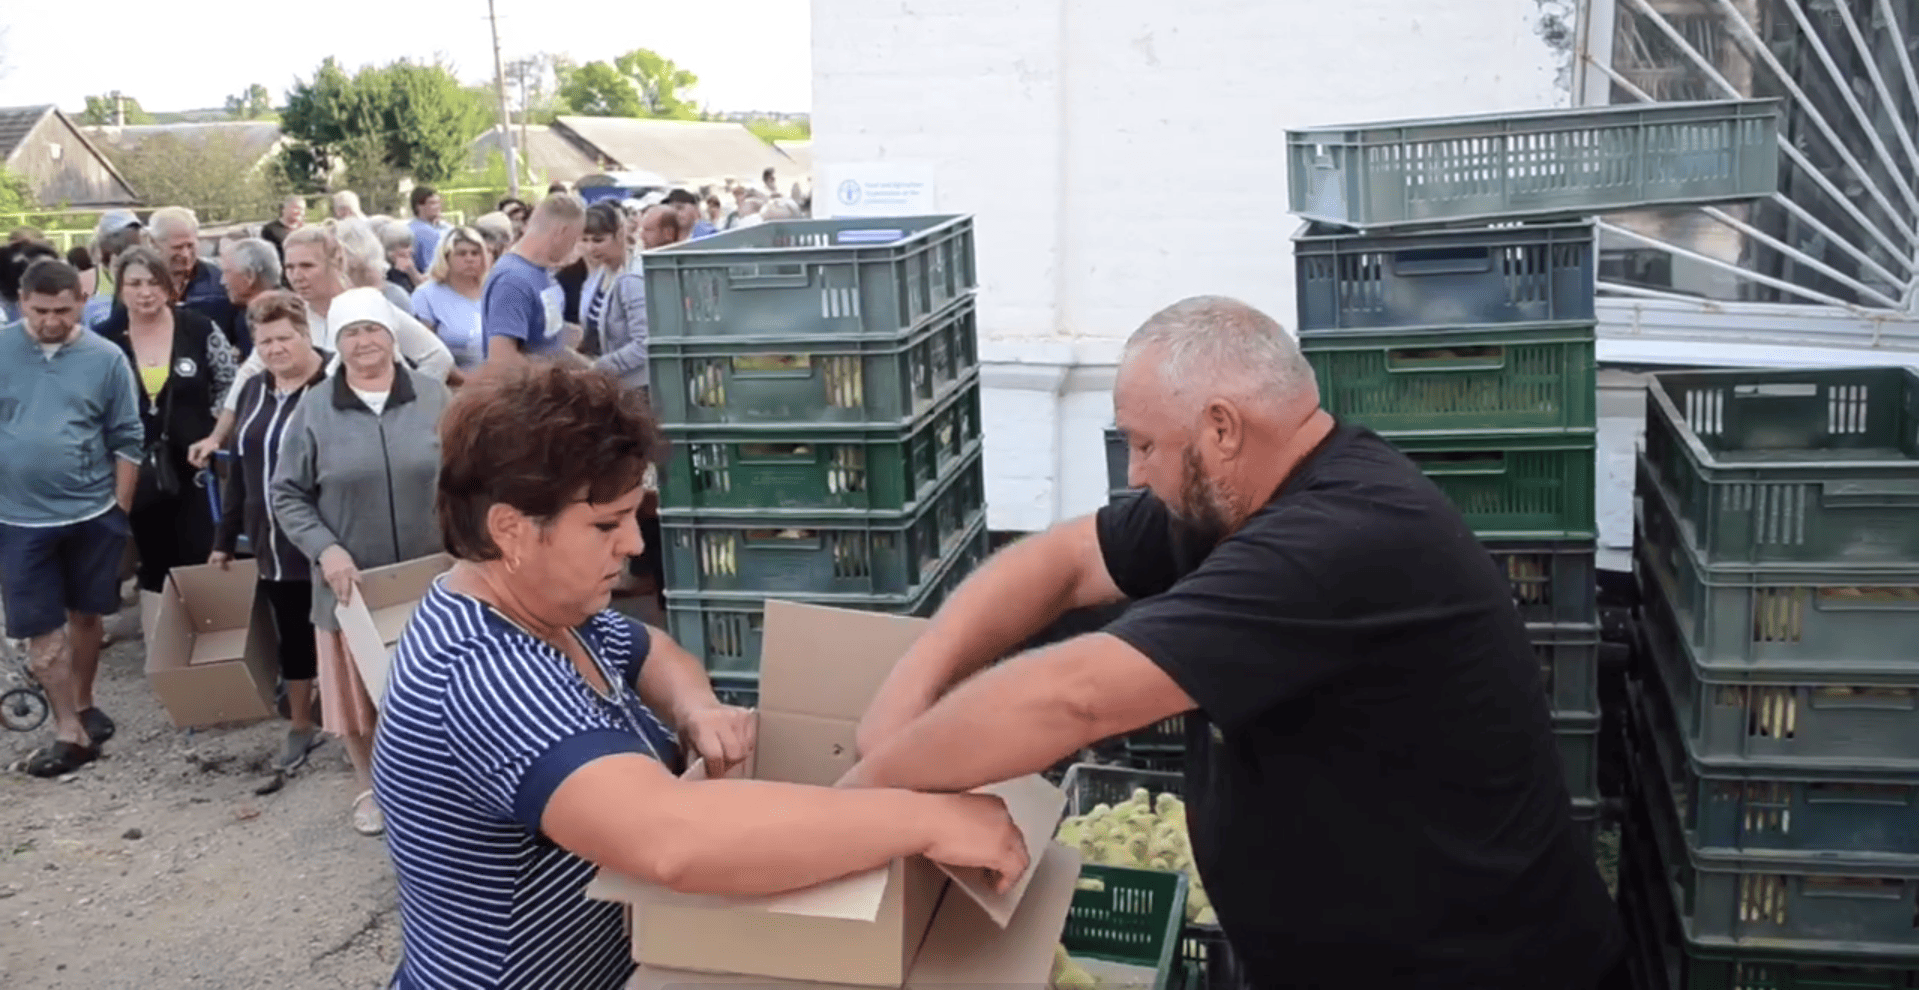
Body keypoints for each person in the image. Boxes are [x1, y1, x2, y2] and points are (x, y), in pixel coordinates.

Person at [843, 296, 1627, 990]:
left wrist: (861, 799)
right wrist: (910, 684)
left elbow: (1074, 696)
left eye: (1145, 444)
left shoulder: (1339, 540)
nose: (1135, 472)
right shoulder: (1240, 495)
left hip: (1469, 968)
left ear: (1220, 427)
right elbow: (1063, 561)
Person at [372, 363, 1030, 990]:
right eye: (605, 524)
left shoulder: (549, 613)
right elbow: (671, 840)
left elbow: (650, 650)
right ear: (510, 530)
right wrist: (924, 820)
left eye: (634, 514)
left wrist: (696, 708)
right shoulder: (485, 676)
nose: (632, 544)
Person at [272, 287, 451, 837]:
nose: (364, 342)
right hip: (351, 583)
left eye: (373, 329)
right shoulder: (314, 409)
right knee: (360, 698)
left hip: (432, 576)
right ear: (336, 343)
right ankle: (372, 788)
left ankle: (447, 790)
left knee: (442, 688)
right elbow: (287, 494)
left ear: (392, 337)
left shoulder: (432, 396)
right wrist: (326, 550)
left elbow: (471, 476)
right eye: (351, 333)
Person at [0, 259, 144, 778]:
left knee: (88, 617)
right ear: (22, 302)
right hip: (18, 519)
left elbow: (127, 437)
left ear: (81, 302)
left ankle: (83, 703)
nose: (51, 321)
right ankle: (67, 729)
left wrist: (120, 513)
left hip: (92, 511)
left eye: (63, 310)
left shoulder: (105, 358)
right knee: (43, 634)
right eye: (40, 311)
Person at [189, 225, 458, 468]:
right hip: (315, 450)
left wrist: (405, 409)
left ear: (335, 263)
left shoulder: (370, 308)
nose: (296, 276)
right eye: (290, 267)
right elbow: (249, 373)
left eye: (307, 266)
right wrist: (216, 436)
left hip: (377, 448)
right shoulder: (292, 316)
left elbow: (437, 357)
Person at [208, 291, 330, 774]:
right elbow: (239, 468)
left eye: (284, 338)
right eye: (265, 341)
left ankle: (373, 728)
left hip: (325, 536)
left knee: (338, 634)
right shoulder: (255, 388)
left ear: (305, 335)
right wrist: (224, 538)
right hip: (272, 542)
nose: (275, 349)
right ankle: (302, 725)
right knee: (294, 637)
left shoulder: (332, 383)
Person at [96, 246, 238, 647]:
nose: (145, 293)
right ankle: (164, 653)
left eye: (153, 283)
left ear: (170, 285)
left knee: (201, 551)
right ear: (120, 288)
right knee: (153, 558)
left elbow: (230, 386)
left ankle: (214, 645)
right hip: (134, 468)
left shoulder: (200, 327)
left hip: (196, 464)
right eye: (135, 284)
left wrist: (215, 432)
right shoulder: (103, 341)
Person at [481, 192, 584, 370]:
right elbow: (502, 361)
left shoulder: (540, 271)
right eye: (574, 240)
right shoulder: (512, 281)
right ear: (561, 232)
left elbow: (543, 341)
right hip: (525, 395)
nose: (575, 247)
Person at [411, 226, 490, 373]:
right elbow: (425, 352)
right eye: (461, 254)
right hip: (453, 385)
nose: (470, 259)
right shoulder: (426, 295)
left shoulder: (494, 289)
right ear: (446, 257)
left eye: (475, 253)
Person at [148, 206, 239, 332]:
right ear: (153, 243)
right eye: (177, 247)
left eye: (190, 245)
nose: (185, 254)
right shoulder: (139, 283)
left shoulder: (219, 280)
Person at [578, 202, 642, 363]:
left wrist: (597, 368)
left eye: (598, 240)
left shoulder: (633, 277)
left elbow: (643, 345)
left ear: (620, 234)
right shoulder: (599, 271)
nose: (590, 248)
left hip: (633, 382)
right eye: (585, 240)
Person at [83, 210, 148, 331]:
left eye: (136, 234)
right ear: (106, 243)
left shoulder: (150, 276)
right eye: (124, 238)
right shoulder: (87, 281)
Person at [218, 237, 282, 359]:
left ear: (249, 276)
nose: (222, 281)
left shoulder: (278, 317)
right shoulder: (244, 314)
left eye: (227, 272)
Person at [407, 186, 451, 275]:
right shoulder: (425, 232)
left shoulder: (442, 227)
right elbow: (433, 268)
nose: (438, 207)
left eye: (438, 203)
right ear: (419, 206)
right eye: (432, 203)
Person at [379, 220, 421, 294]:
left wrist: (412, 272)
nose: (411, 250)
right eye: (405, 246)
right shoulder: (388, 276)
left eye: (410, 245)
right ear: (390, 251)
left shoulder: (411, 266)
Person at [261, 196, 306, 260]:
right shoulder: (270, 230)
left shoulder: (306, 230)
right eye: (296, 208)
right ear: (284, 209)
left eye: (302, 209)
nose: (299, 212)